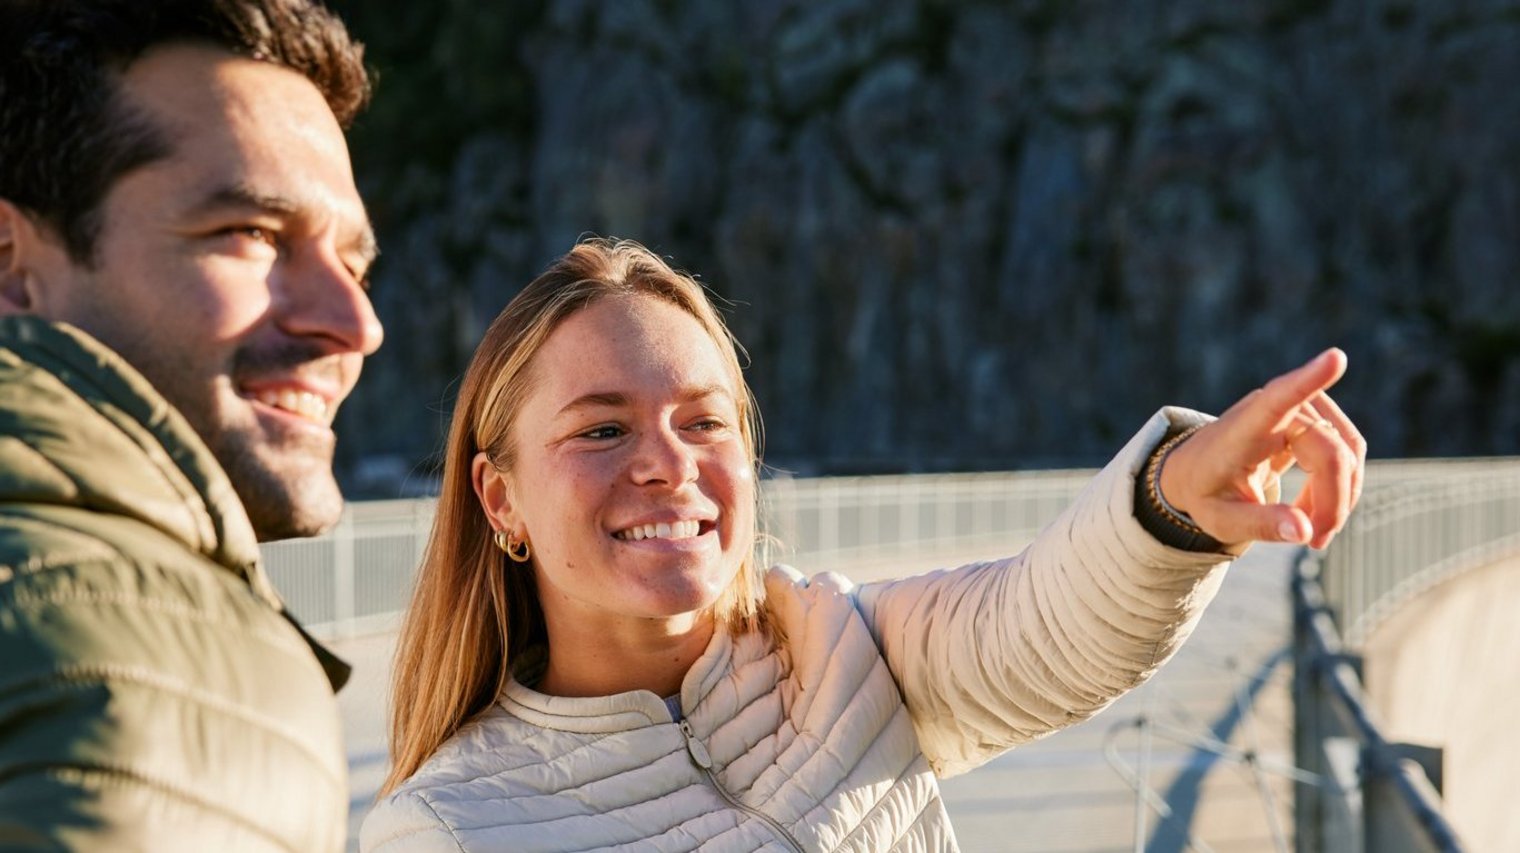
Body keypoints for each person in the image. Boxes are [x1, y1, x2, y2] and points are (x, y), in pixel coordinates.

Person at [362, 239, 1364, 852]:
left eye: (704, 422)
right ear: (501, 500)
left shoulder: (838, 647)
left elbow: (1043, 625)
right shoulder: (447, 831)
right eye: (602, 428)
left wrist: (1174, 495)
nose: (667, 464)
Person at [0, 1, 381, 849]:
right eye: (248, 233)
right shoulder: (94, 654)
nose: (356, 324)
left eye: (352, 263)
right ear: (12, 266)